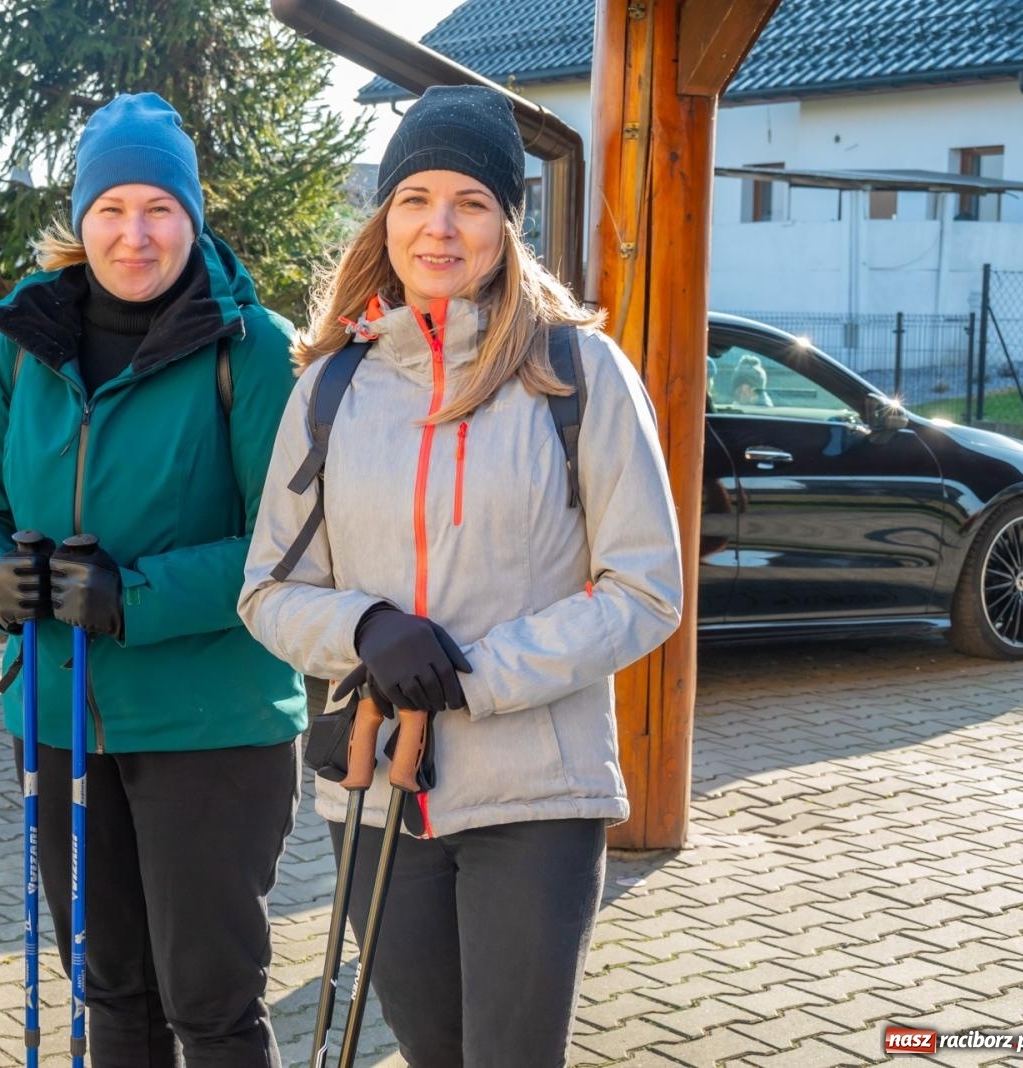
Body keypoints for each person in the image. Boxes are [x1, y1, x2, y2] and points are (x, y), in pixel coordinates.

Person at [238, 85, 684, 1067]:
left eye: (471, 201)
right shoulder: (332, 388)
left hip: (537, 793)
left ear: (507, 224)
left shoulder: (581, 376)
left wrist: (466, 675)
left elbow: (646, 588)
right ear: (385, 216)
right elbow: (266, 587)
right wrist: (364, 632)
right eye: (414, 198)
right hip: (376, 789)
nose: (439, 226)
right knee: (433, 1051)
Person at [0, 92, 304, 1067]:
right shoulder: (23, 344)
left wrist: (131, 594)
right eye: (111, 209)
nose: (133, 235)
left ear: (193, 216)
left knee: (211, 1006)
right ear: (80, 218)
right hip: (59, 724)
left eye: (158, 210)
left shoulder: (250, 348)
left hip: (211, 730)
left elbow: (295, 542)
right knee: (110, 997)